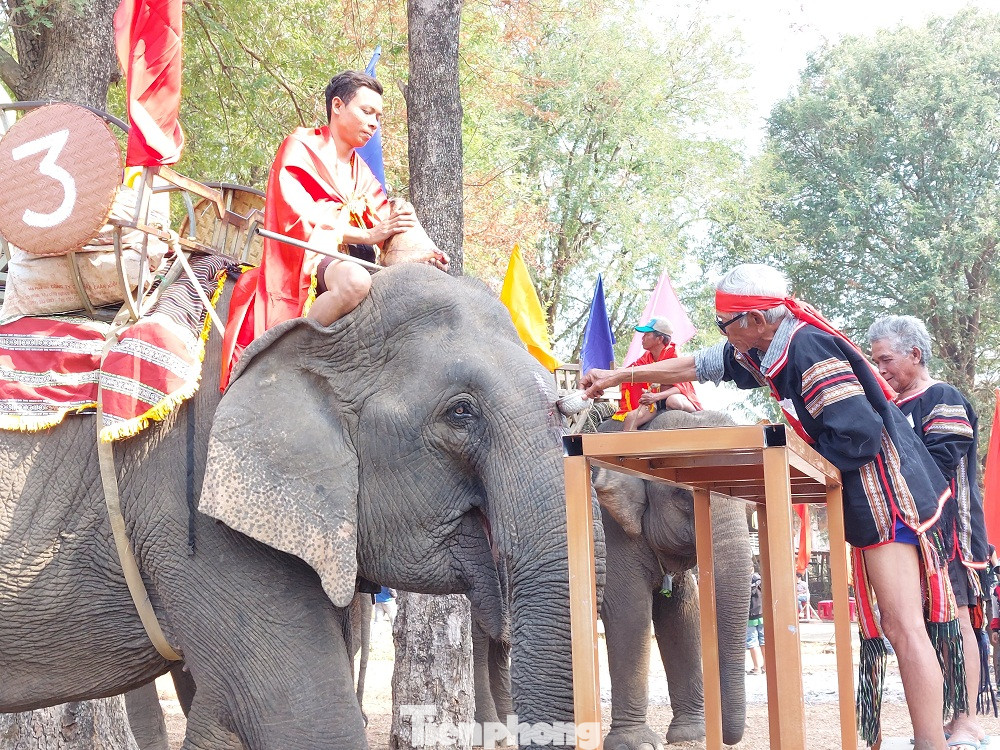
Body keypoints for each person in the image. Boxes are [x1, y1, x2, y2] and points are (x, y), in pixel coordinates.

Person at [581, 263, 964, 750]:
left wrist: (801, 461)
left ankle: (930, 743)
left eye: (726, 324)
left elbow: (859, 434)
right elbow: (701, 365)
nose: (725, 335)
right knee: (901, 627)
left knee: (905, 628)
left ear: (757, 320)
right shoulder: (776, 347)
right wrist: (620, 374)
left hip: (889, 498)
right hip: (878, 498)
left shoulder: (806, 348)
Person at [220, 70, 448, 385]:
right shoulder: (300, 147)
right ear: (338, 106)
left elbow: (385, 225)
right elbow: (294, 216)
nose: (374, 123)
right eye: (367, 111)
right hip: (306, 258)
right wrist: (367, 235)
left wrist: (423, 250)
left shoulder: (363, 174)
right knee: (354, 282)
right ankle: (290, 353)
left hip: (357, 260)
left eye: (379, 116)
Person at [868, 315, 992, 746]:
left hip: (949, 531)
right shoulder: (893, 407)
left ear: (915, 355)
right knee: (922, 625)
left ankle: (966, 720)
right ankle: (939, 719)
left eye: (885, 359)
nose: (879, 369)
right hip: (909, 533)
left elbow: (939, 462)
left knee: (956, 619)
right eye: (874, 361)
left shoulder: (942, 397)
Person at [614, 317, 701, 431]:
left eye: (647, 334)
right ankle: (632, 446)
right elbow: (631, 371)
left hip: (671, 396)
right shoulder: (647, 356)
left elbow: (681, 388)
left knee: (673, 401)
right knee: (631, 417)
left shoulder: (674, 354)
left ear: (659, 338)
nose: (643, 337)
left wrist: (656, 397)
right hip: (655, 401)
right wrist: (610, 375)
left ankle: (697, 416)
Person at [747, 570, 765, 675]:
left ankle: (756, 667)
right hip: (762, 615)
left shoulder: (746, 583)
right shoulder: (762, 582)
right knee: (763, 641)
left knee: (751, 642)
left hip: (751, 617)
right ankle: (765, 666)